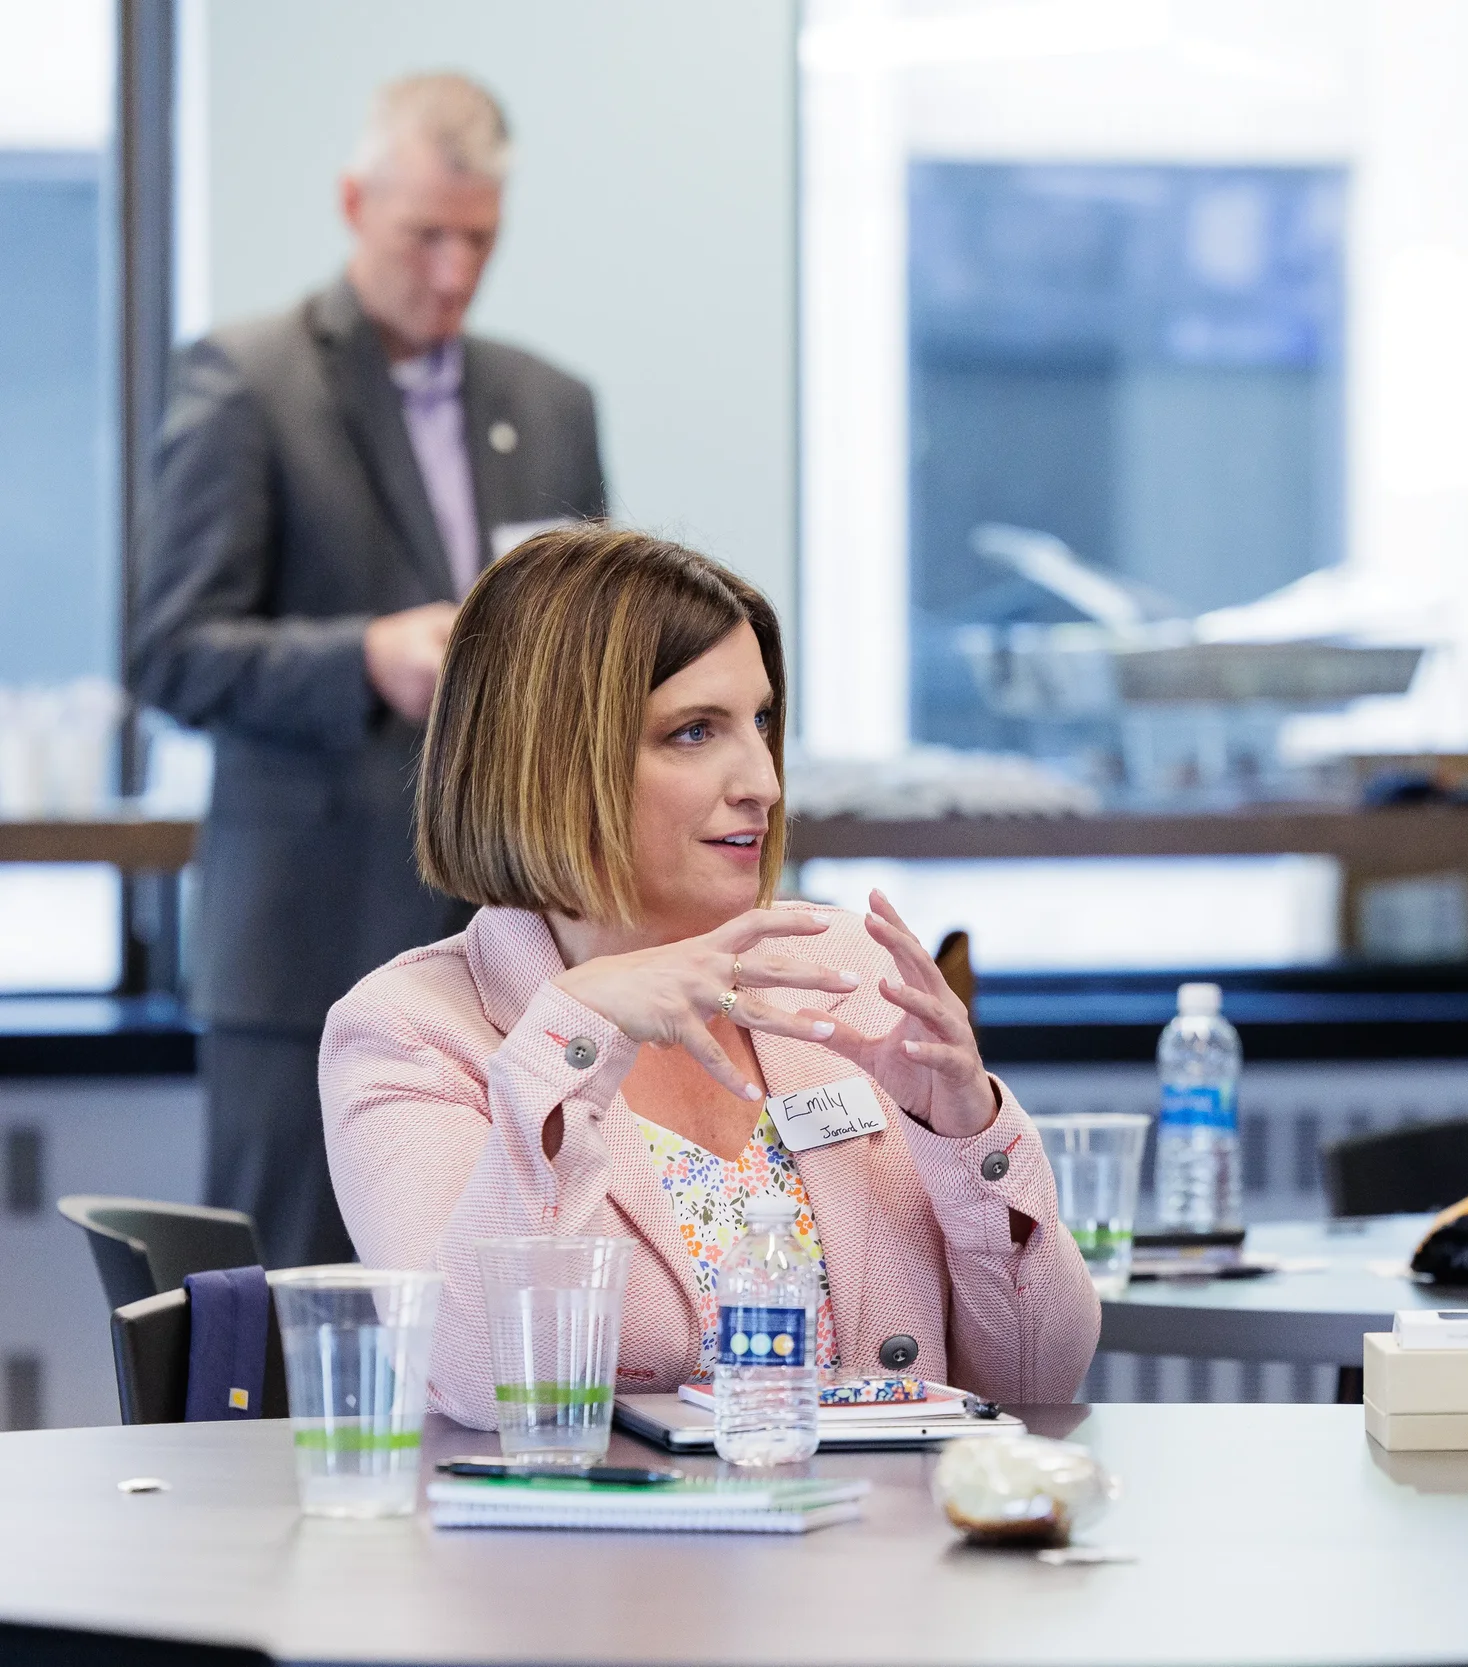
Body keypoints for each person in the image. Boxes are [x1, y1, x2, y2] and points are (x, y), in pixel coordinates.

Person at [319, 528, 1100, 1423]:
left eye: (761, 722)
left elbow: (1039, 1383)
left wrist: (971, 1137)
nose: (763, 781)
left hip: (878, 1551)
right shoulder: (411, 1030)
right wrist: (570, 1039)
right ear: (549, 761)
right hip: (594, 1561)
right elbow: (489, 1381)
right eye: (695, 731)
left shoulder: (843, 968)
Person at [127, 74, 604, 1267]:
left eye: (478, 240)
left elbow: (597, 649)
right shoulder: (250, 382)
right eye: (424, 236)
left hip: (512, 947)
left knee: (494, 1301)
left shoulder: (549, 405)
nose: (452, 272)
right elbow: (168, 649)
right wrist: (363, 657)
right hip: (307, 954)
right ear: (355, 203)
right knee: (280, 1319)